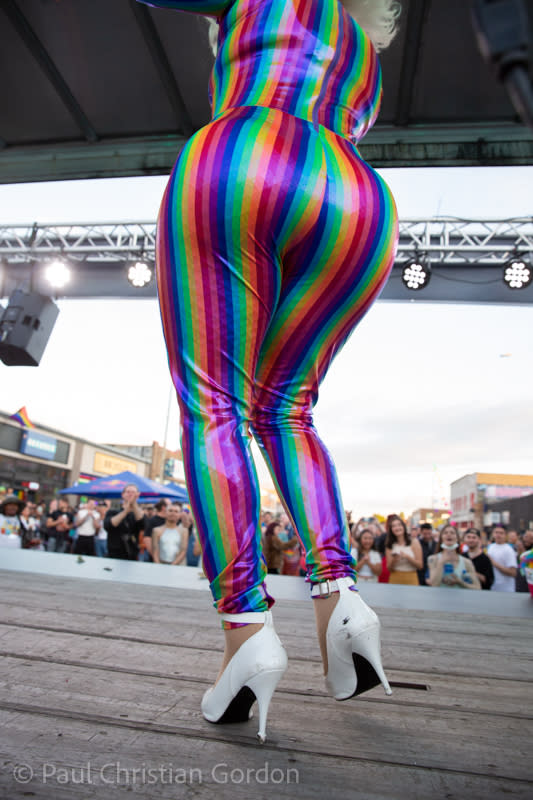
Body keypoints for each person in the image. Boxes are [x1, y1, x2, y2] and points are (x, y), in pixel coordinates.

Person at [139, 0, 400, 742]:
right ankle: (339, 597)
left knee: (212, 405)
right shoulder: (365, 57)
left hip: (241, 157)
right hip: (357, 198)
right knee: (287, 410)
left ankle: (244, 634)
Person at [104, 484, 145, 560]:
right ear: (123, 495)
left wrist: (134, 505)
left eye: (133, 492)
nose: (130, 494)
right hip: (114, 554)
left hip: (132, 554)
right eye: (128, 492)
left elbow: (142, 525)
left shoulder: (138, 514)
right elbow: (109, 525)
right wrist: (126, 511)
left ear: (137, 495)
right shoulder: (112, 512)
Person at [385, 515, 423, 585]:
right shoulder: (389, 545)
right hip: (395, 578)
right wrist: (394, 560)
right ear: (391, 529)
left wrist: (407, 557)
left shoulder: (414, 542)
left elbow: (420, 566)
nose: (397, 528)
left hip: (411, 578)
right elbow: (389, 569)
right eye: (393, 526)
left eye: (399, 525)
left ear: (403, 527)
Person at [487, 525, 517, 592]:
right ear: (493, 534)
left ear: (505, 535)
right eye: (496, 532)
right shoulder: (490, 547)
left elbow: (513, 573)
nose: (498, 535)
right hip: (492, 588)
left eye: (501, 533)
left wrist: (493, 563)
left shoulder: (509, 550)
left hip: (506, 589)